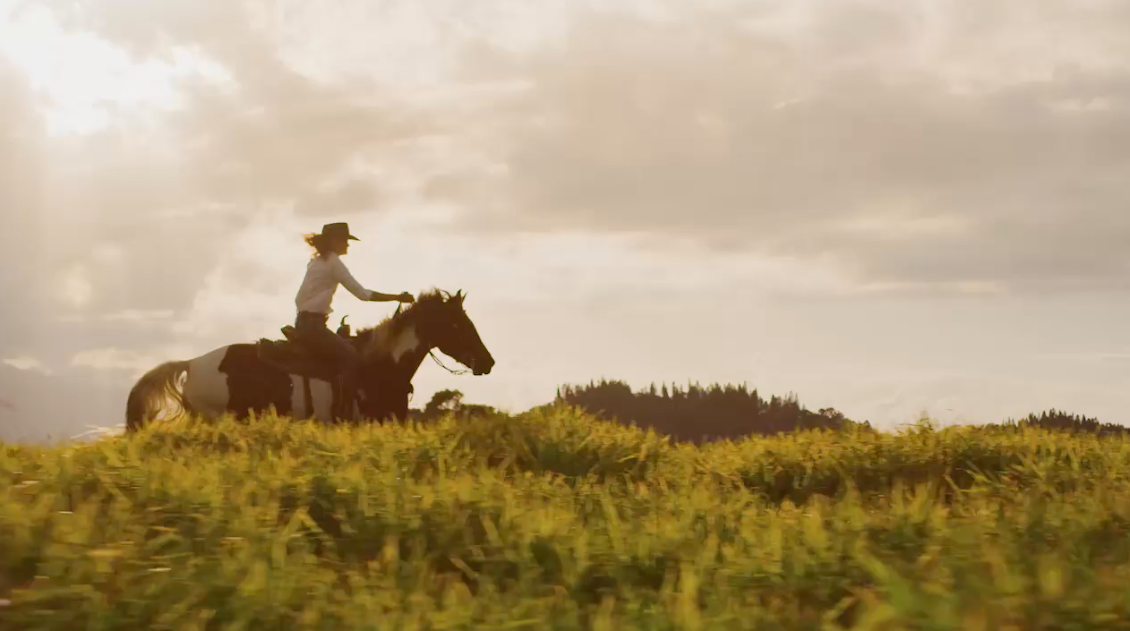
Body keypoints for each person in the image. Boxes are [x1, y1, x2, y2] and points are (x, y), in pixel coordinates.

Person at [293, 222, 414, 421]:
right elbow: (363, 294)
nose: (348, 245)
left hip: (304, 323)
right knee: (351, 358)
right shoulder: (334, 263)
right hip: (314, 327)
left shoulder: (315, 262)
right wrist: (397, 297)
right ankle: (342, 410)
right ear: (334, 241)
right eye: (345, 241)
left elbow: (299, 299)